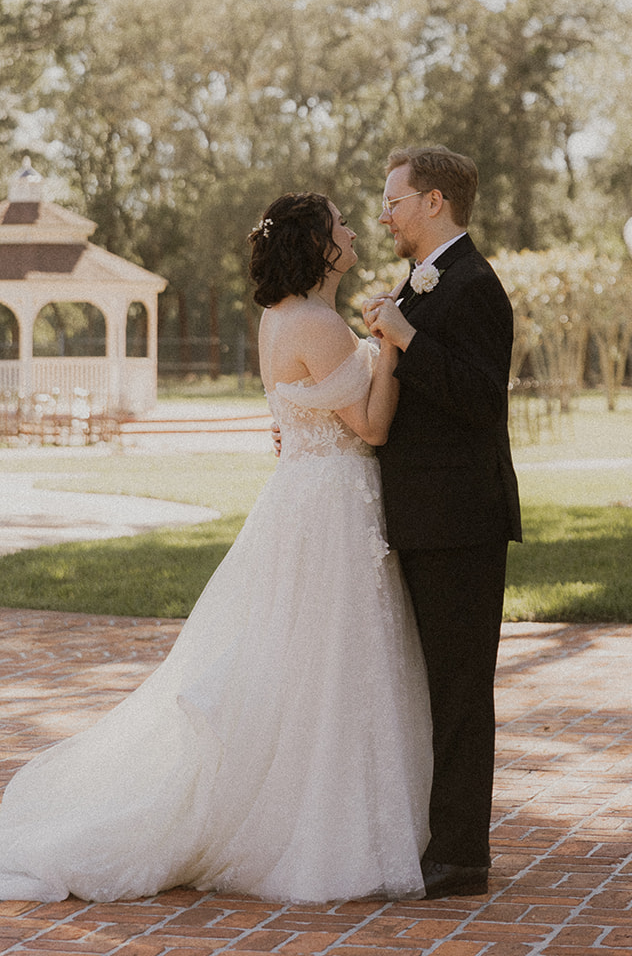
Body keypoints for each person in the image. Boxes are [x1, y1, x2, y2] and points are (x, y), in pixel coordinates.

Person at [0, 192, 432, 905]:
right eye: (342, 224)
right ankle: (314, 825)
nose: (355, 231)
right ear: (322, 247)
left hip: (303, 494)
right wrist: (389, 343)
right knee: (326, 661)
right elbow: (375, 427)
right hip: (328, 506)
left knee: (298, 659)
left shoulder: (281, 318)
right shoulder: (319, 325)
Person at [364, 145, 521, 902]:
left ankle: (460, 855)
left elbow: (483, 400)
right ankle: (436, 835)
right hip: (425, 516)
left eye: (393, 199)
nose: (383, 213)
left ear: (434, 202)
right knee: (434, 688)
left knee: (460, 690)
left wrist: (406, 337)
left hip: (460, 520)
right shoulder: (428, 282)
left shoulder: (476, 285)